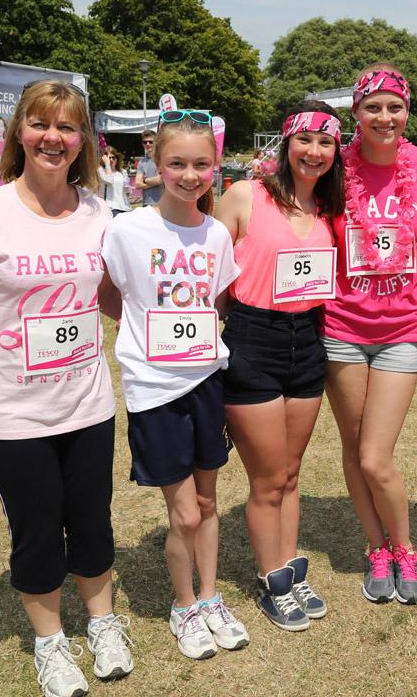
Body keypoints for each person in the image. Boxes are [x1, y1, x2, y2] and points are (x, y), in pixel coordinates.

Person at [0, 81, 133, 697]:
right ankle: (50, 642)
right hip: (13, 411)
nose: (54, 137)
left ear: (83, 142)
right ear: (18, 130)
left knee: (94, 521)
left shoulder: (99, 212)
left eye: (68, 127)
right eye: (40, 124)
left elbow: (107, 296)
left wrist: (167, 307)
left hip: (88, 403)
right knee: (36, 527)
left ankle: (102, 625)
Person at [100, 109, 247, 660]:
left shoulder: (215, 234)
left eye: (201, 164)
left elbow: (218, 301)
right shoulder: (127, 228)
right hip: (153, 388)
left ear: (215, 169)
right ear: (156, 165)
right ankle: (183, 605)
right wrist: (143, 335)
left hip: (207, 378)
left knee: (208, 502)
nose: (190, 175)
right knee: (183, 512)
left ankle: (209, 599)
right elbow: (108, 292)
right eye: (177, 163)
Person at [214, 100, 344, 632]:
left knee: (291, 474)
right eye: (304, 140)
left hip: (308, 342)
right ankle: (273, 581)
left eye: (326, 143)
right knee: (267, 478)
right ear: (286, 144)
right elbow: (211, 282)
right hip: (252, 339)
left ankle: (289, 567)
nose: (314, 152)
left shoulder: (330, 211)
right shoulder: (246, 196)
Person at [324, 66, 417, 604]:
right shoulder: (333, 166)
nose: (384, 118)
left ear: (407, 112)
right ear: (356, 113)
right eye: (373, 107)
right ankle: (376, 549)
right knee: (353, 447)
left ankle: (405, 547)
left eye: (394, 107)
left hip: (400, 329)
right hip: (342, 326)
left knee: (375, 454)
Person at [97, 148, 131, 215]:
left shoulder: (123, 172)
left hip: (125, 207)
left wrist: (128, 189)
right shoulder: (101, 170)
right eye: (109, 158)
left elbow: (126, 191)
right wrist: (107, 164)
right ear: (104, 159)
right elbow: (110, 180)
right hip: (111, 207)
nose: (111, 160)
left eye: (113, 157)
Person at [134, 130, 162, 206]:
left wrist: (145, 180)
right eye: (145, 142)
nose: (148, 144)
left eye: (150, 142)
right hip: (146, 203)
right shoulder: (141, 162)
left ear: (156, 142)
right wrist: (156, 182)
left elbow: (163, 179)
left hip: (162, 202)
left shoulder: (162, 159)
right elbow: (137, 184)